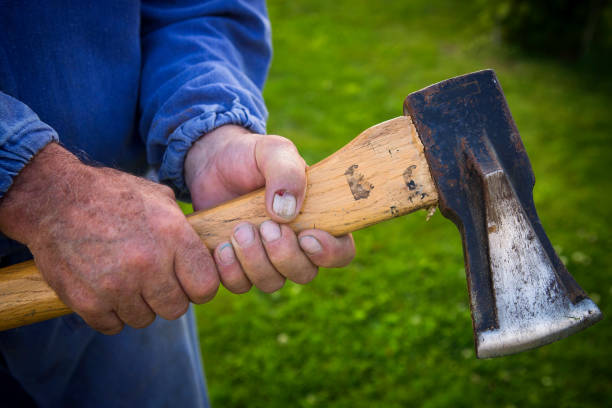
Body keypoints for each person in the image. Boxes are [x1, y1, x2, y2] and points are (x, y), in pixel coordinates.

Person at [0, 1, 355, 406]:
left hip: (134, 246)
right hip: (112, 228)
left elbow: (196, 9)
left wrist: (210, 131)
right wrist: (39, 190)